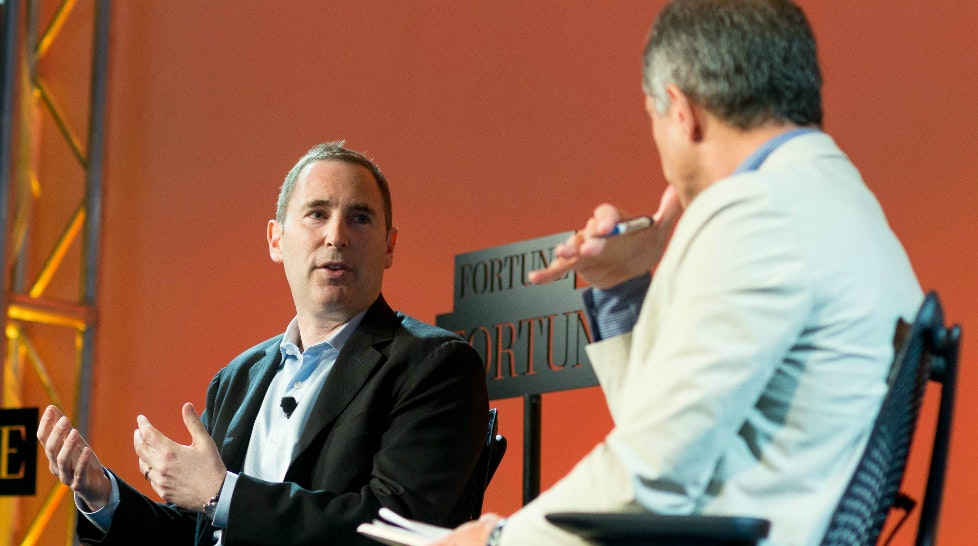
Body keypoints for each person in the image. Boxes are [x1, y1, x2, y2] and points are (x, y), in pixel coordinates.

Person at [433, 1, 922, 545]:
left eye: (653, 118)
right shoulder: (840, 202)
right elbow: (664, 436)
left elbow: (650, 475)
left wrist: (500, 540)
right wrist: (621, 286)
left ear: (680, 111)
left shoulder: (755, 212)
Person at [37, 142, 490, 546]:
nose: (337, 235)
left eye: (360, 217)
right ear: (276, 239)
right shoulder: (238, 378)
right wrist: (104, 495)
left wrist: (221, 493)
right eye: (317, 213)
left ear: (389, 246)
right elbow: (196, 534)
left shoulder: (434, 366)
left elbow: (394, 529)